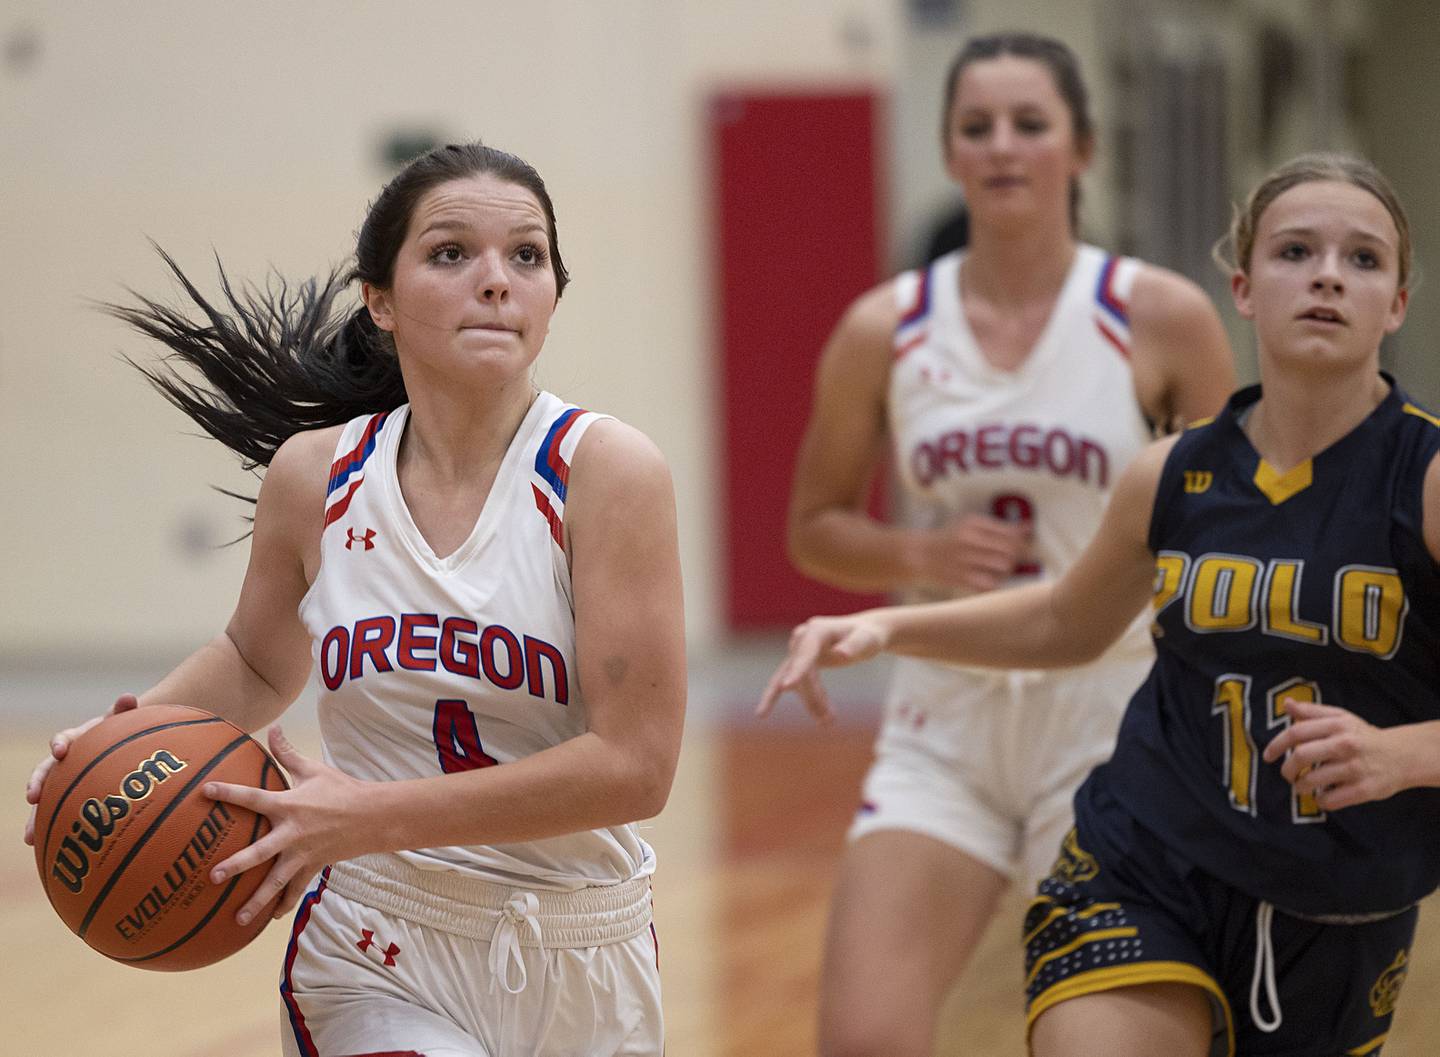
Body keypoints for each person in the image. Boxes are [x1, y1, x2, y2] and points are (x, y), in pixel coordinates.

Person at [761, 150, 1439, 1056]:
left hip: (1336, 892)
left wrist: (1403, 751)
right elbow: (1062, 621)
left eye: (1363, 259)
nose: (1326, 274)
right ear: (1242, 287)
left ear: (1396, 303)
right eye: (1295, 252)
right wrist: (887, 624)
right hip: (1148, 855)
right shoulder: (1175, 471)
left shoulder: (1425, 478)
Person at [24, 142, 686, 1057]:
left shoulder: (606, 474)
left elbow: (637, 767)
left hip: (586, 950)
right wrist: (114, 750)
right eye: (452, 253)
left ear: (553, 295)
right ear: (379, 299)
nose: (496, 280)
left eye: (526, 255)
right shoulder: (316, 478)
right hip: (380, 940)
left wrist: (368, 813)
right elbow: (258, 662)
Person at [759, 31, 1234, 1057]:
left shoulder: (1159, 314)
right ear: (950, 152)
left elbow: (1237, 532)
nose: (1004, 145)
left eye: (1030, 123)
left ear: (1083, 148)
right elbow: (814, 527)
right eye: (978, 127)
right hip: (947, 718)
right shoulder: (885, 328)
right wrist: (916, 558)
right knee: (862, 1040)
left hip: (1111, 717)